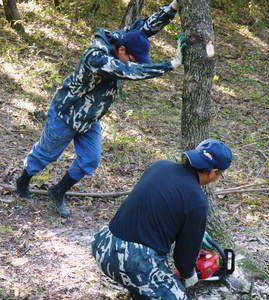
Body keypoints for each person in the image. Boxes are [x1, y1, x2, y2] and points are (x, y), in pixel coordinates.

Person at [15, 0, 184, 217]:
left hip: (90, 118)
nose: (135, 62)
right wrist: (170, 64)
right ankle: (22, 183)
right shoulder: (97, 57)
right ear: (122, 50)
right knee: (46, 154)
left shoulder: (123, 40)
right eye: (132, 58)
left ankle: (58, 191)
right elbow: (129, 70)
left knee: (90, 160)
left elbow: (144, 29)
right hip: (66, 114)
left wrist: (172, 9)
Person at [91, 138, 232, 300]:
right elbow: (183, 259)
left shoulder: (160, 166)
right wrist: (189, 274)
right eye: (220, 174)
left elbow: (157, 204)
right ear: (213, 172)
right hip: (131, 260)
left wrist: (193, 227)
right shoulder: (197, 201)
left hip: (103, 244)